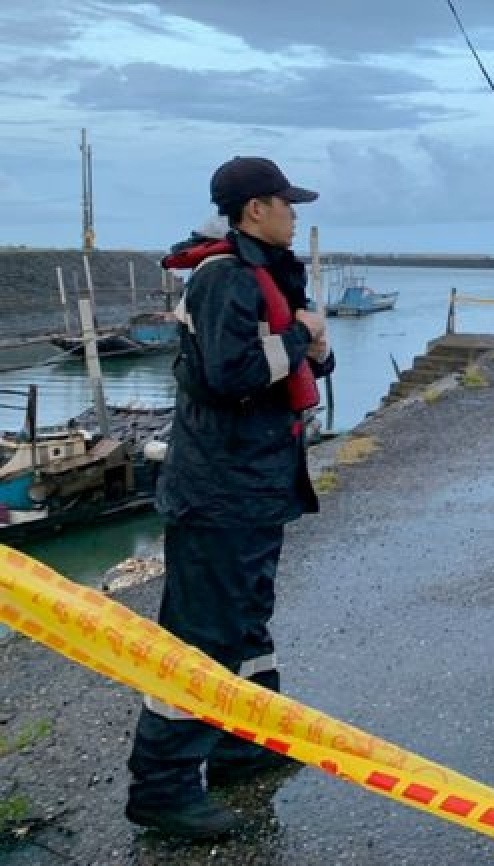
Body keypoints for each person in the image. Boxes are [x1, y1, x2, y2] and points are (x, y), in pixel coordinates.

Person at [125, 156, 334, 839]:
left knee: (246, 626)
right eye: (286, 203)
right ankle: (162, 788)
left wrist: (312, 342)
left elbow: (298, 364)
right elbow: (234, 374)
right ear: (254, 210)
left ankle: (242, 744)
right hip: (218, 491)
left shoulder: (266, 275)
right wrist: (302, 335)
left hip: (255, 486)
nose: (295, 215)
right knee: (199, 639)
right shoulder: (223, 278)